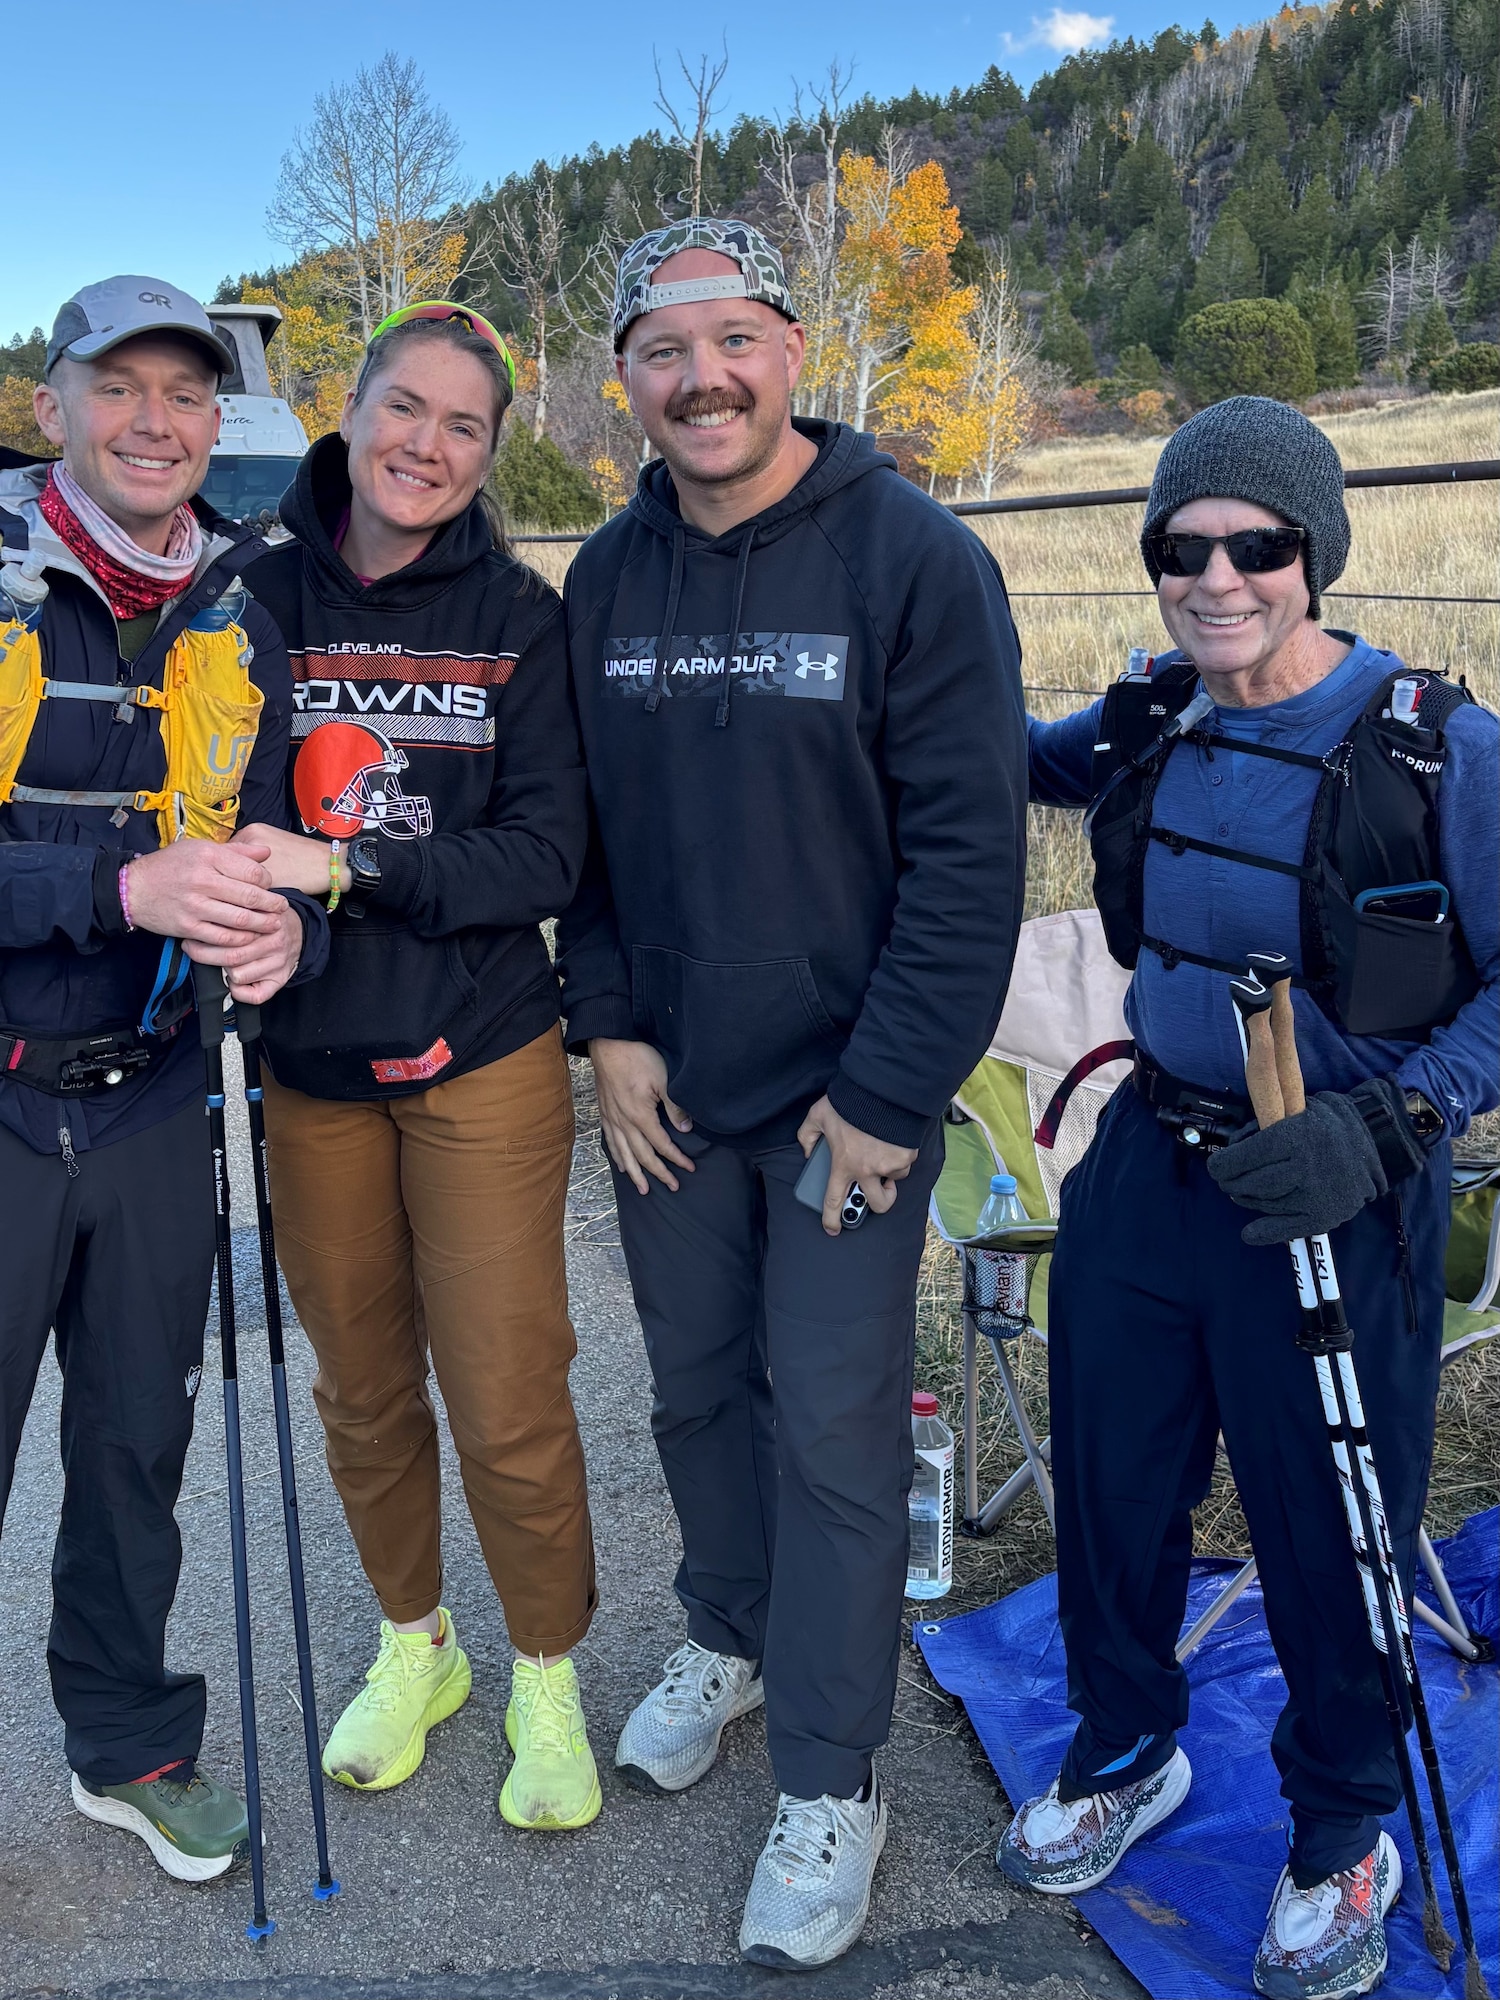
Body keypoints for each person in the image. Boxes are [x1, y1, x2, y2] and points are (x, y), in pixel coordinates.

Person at [557, 219, 1028, 1968]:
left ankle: (834, 1774)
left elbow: (972, 859)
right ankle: (732, 1635)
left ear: (791, 349)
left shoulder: (915, 560)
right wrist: (605, 1026)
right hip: (670, 1096)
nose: (704, 379)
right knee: (695, 1394)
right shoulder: (607, 579)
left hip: (849, 1104)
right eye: (663, 351)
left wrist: (894, 1092)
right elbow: (581, 838)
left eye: (734, 340)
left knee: (832, 1430)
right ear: (627, 379)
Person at [1001, 397, 1498, 2000]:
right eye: (1183, 546)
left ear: (1315, 553)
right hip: (1152, 1157)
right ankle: (1125, 1743)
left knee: (1331, 1520)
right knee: (1112, 1476)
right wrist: (898, 631)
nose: (1217, 579)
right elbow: (999, 755)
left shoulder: (1436, 747)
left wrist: (1398, 1117)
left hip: (1336, 1179)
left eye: (1257, 545)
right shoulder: (1151, 718)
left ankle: (1343, 1827)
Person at [229, 301, 601, 1831]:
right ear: (352, 407)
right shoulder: (249, 594)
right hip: (311, 1062)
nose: (426, 446)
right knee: (364, 1389)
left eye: (465, 425)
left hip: (480, 1050)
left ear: (492, 451)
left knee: (506, 1391)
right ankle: (417, 1646)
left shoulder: (519, 616)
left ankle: (546, 1675)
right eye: (405, 407)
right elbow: (208, 806)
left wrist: (348, 869)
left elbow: (546, 852)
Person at [0, 275, 328, 1881]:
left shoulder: (238, 614)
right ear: (49, 406)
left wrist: (281, 942)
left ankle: (127, 1743)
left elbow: (273, 849)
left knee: (137, 1443)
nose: (155, 421)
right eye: (118, 387)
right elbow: (136, 879)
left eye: (185, 393)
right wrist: (119, 887)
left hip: (152, 1096)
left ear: (218, 418)